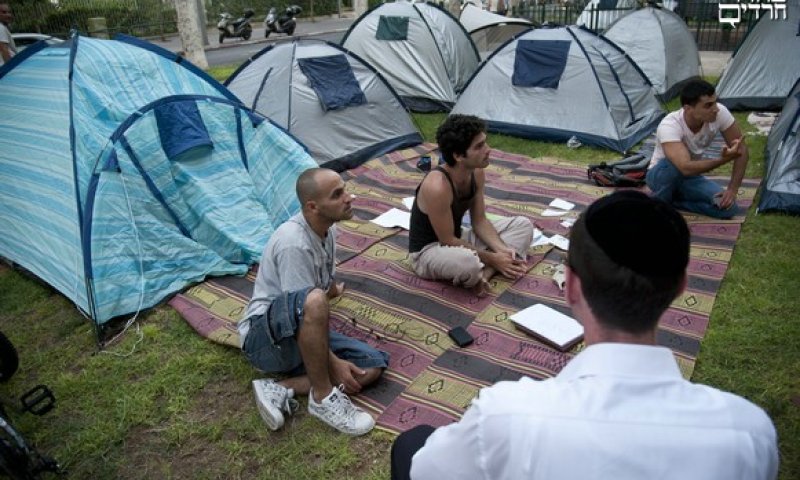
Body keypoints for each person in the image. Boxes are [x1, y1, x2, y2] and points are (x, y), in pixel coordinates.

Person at [392, 190, 778, 480]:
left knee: (411, 444)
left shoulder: (505, 414)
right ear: (681, 286)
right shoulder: (747, 431)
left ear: (570, 286)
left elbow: (425, 471)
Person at [239, 167, 389, 436]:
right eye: (337, 194)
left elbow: (321, 279)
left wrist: (332, 289)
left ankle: (280, 388)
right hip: (265, 342)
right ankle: (322, 397)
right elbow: (302, 311)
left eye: (345, 189)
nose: (349, 197)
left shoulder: (326, 229)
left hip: (296, 330)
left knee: (371, 365)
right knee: (315, 301)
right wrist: (333, 362)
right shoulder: (293, 243)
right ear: (313, 206)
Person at [409, 114, 533, 296]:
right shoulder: (437, 186)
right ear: (458, 155)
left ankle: (486, 274)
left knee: (523, 225)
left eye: (485, 142)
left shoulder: (476, 173)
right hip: (430, 251)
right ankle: (488, 268)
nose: (488, 149)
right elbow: (448, 240)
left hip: (459, 237)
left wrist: (502, 251)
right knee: (468, 263)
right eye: (479, 146)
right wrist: (492, 257)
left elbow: (480, 221)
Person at [646, 79, 748, 219]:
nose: (716, 109)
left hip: (690, 177)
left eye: (715, 102)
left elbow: (741, 149)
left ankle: (672, 203)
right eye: (708, 105)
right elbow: (684, 167)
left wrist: (732, 190)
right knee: (672, 166)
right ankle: (659, 204)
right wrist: (723, 160)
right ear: (688, 108)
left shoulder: (720, 113)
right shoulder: (669, 125)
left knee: (728, 208)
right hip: (661, 174)